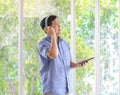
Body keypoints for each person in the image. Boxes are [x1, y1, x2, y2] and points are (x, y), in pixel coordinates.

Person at [38, 15, 88, 95]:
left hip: (66, 89)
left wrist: (77, 64)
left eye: (59, 23)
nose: (59, 25)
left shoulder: (64, 43)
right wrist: (53, 36)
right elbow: (53, 55)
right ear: (47, 29)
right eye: (55, 23)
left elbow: (66, 63)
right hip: (52, 90)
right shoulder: (43, 44)